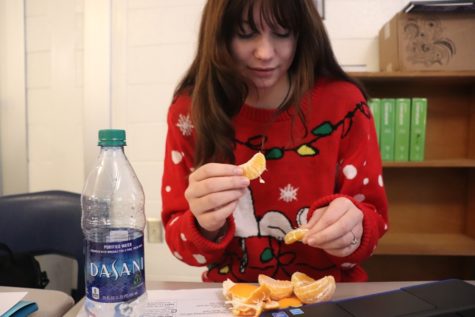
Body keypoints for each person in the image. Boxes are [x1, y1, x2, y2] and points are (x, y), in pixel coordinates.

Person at [161, 0, 388, 283]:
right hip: (233, 300)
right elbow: (179, 241)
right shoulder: (190, 112)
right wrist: (204, 224)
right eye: (245, 34)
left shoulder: (345, 106)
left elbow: (374, 221)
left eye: (282, 33)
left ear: (301, 33)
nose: (265, 53)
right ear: (219, 36)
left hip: (330, 294)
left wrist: (353, 231)